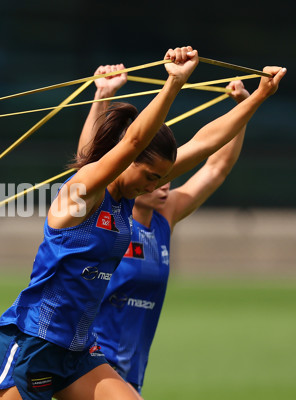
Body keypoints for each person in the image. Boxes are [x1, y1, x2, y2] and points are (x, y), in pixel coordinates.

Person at [0, 46, 285, 400]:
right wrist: (173, 84)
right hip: (35, 340)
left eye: (161, 178)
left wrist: (259, 96)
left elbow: (204, 145)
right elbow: (136, 139)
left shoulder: (127, 199)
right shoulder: (83, 192)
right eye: (151, 175)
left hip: (78, 349)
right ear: (127, 159)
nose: (156, 187)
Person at [82, 65, 254, 395]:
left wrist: (243, 108)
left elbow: (216, 167)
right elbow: (91, 164)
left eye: (167, 175)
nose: (163, 182)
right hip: (91, 361)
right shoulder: (108, 210)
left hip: (132, 370)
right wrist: (102, 98)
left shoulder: (166, 216)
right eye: (154, 175)